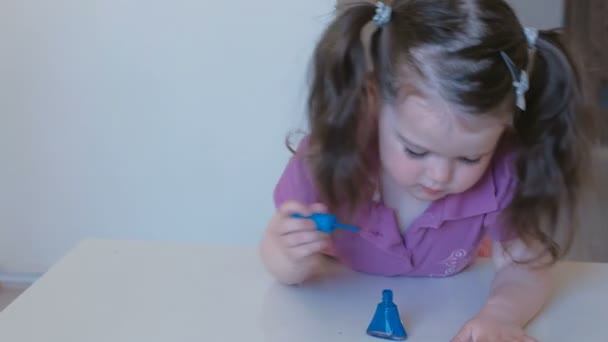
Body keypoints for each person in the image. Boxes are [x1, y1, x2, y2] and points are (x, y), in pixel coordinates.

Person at [260, 0, 597, 341]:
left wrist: (500, 317)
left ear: (504, 127)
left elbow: (525, 269)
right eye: (416, 150)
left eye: (470, 159)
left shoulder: (505, 172)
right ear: (375, 98)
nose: (439, 176)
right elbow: (279, 266)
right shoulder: (324, 159)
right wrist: (287, 258)